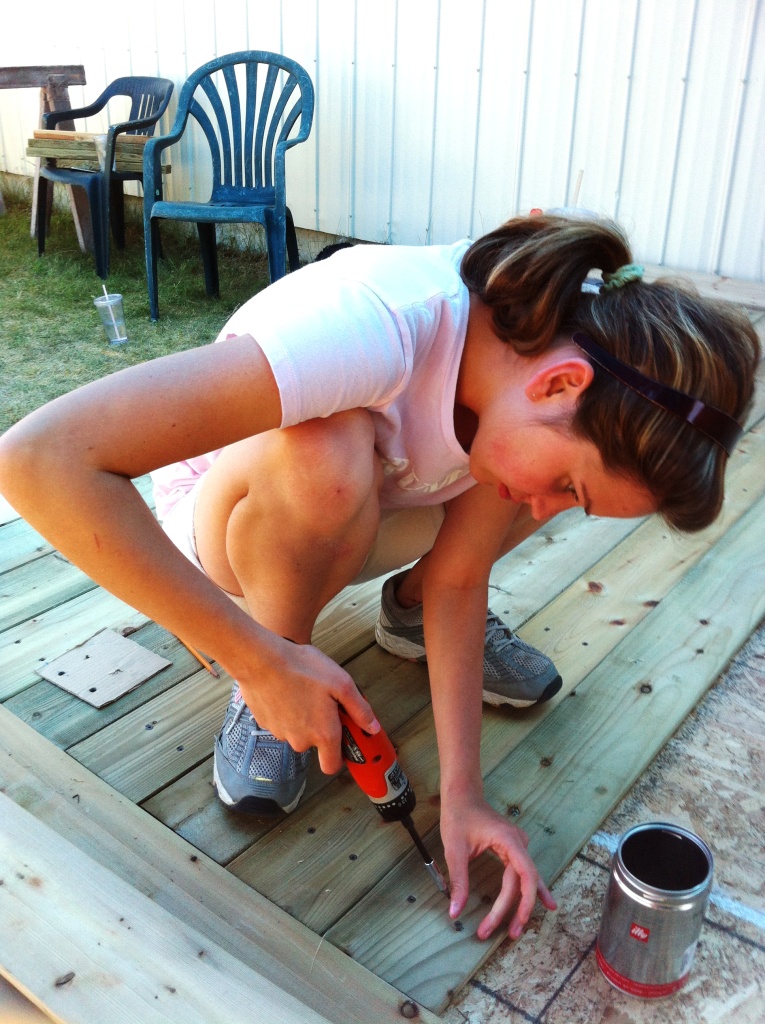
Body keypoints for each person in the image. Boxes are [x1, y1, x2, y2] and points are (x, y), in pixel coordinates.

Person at [0, 213, 758, 944]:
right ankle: (272, 669)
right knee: (325, 454)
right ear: (561, 384)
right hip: (233, 517)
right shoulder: (376, 323)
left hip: (387, 500)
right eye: (569, 487)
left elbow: (461, 582)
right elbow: (37, 459)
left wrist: (462, 795)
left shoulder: (529, 372)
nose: (548, 511)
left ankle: (401, 611)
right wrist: (258, 660)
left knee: (505, 474)